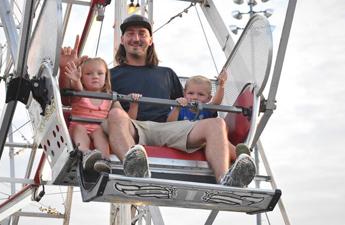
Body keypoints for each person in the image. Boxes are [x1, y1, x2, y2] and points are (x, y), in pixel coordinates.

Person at [104, 14, 256, 187]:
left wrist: (217, 91)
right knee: (116, 113)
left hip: (168, 127)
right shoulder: (110, 75)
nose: (136, 38)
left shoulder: (166, 74)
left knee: (216, 124)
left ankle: (225, 179)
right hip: (133, 127)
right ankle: (134, 166)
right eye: (130, 34)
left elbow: (187, 106)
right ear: (122, 40)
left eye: (142, 33)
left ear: (150, 40)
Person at [63, 57, 141, 173]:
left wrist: (134, 105)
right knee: (79, 128)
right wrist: (75, 80)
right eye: (89, 74)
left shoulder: (110, 98)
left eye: (100, 73)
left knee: (100, 132)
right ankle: (85, 152)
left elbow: (127, 121)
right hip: (79, 127)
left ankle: (105, 159)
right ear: (82, 78)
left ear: (106, 77)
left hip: (97, 129)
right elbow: (78, 88)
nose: (95, 76)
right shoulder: (80, 94)